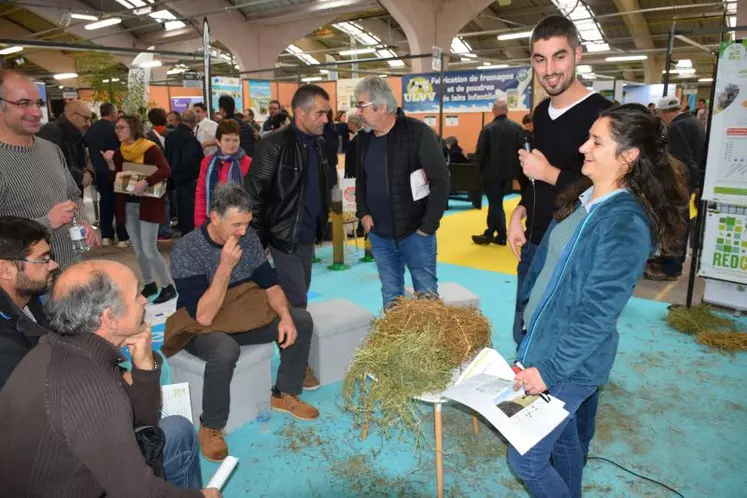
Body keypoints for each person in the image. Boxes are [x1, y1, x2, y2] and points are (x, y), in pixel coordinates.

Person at [508, 103, 689, 498]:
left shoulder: (625, 222)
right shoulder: (585, 195)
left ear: (628, 157)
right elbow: (548, 266)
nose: (582, 148)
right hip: (543, 344)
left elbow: (597, 315)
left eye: (596, 141)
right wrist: (526, 324)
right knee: (564, 438)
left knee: (525, 459)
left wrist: (548, 370)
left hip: (571, 363)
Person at [0, 259, 218, 497]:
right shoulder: (90, 386)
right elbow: (137, 493)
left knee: (177, 430)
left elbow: (142, 424)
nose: (145, 300)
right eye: (136, 295)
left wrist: (144, 367)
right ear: (109, 319)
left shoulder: (59, 346)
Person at [508, 16, 613, 467]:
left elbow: (614, 187)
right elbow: (536, 184)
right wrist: (520, 210)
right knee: (527, 340)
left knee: (572, 358)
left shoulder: (602, 115)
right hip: (534, 248)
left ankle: (575, 452)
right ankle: (539, 433)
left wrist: (548, 173)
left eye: (559, 57)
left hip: (574, 256)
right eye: (539, 59)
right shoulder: (541, 114)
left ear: (578, 55)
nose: (549, 69)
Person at [166, 184, 318, 461]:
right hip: (201, 324)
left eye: (247, 224)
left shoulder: (248, 240)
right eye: (236, 224)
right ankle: (211, 426)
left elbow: (271, 286)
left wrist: (284, 316)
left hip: (241, 314)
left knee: (300, 318)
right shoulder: (186, 250)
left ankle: (285, 392)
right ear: (214, 217)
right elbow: (204, 316)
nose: (243, 232)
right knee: (224, 349)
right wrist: (225, 266)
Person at [353, 76, 450, 308]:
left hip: (415, 233)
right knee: (391, 296)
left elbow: (441, 181)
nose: (357, 112)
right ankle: (395, 344)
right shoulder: (363, 140)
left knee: (426, 296)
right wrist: (363, 213)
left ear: (383, 107)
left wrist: (428, 227)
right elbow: (361, 181)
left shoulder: (418, 133)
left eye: (361, 106)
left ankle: (429, 344)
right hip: (379, 234)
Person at [246, 85, 336, 310]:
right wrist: (256, 243)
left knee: (298, 292)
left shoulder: (320, 144)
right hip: (283, 236)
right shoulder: (273, 144)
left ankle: (287, 333)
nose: (326, 119)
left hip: (308, 236)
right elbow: (253, 195)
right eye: (320, 113)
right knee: (297, 302)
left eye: (327, 113)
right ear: (300, 112)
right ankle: (292, 340)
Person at [0, 69, 99, 271]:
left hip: (70, 271)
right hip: (27, 289)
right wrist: (46, 222)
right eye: (23, 103)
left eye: (38, 103)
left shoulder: (50, 149)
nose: (36, 112)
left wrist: (82, 219)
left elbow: (72, 195)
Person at [104, 114, 176, 304]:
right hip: (128, 205)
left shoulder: (149, 148)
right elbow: (117, 179)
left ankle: (168, 286)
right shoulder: (120, 152)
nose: (117, 131)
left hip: (149, 204)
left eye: (121, 127)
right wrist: (111, 164)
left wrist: (146, 181)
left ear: (133, 128)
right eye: (116, 128)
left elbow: (165, 170)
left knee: (149, 247)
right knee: (138, 249)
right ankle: (149, 283)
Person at [644, 96, 706, 281]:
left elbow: (682, 160)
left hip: (681, 183)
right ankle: (668, 259)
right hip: (690, 181)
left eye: (662, 115)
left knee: (675, 221)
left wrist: (686, 183)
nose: (662, 119)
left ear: (666, 112)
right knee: (681, 221)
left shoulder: (678, 127)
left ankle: (670, 265)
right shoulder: (694, 122)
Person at [0, 217, 56, 390]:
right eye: (43, 259)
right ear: (5, 270)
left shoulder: (32, 297)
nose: (54, 265)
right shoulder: (5, 345)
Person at [472, 100, 524, 246]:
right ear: (507, 111)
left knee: (495, 203)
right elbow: (522, 150)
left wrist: (478, 171)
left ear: (494, 111)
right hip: (510, 174)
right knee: (497, 203)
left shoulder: (489, 129)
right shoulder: (517, 128)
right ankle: (498, 234)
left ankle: (494, 234)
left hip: (491, 173)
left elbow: (481, 153)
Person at [85, 102, 130, 247]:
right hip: (117, 171)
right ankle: (123, 237)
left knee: (105, 203)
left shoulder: (91, 129)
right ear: (113, 114)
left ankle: (106, 235)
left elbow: (85, 146)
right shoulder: (115, 130)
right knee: (120, 204)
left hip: (100, 172)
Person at [195, 119, 252, 228]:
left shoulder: (248, 162)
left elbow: (252, 195)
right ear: (218, 141)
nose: (232, 144)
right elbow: (201, 193)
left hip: (239, 222)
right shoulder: (207, 162)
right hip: (212, 220)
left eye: (235, 140)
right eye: (227, 140)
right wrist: (200, 223)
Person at [37, 99, 93, 190]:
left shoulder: (75, 133)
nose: (89, 124)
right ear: (74, 116)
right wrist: (80, 176)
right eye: (86, 119)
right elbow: (51, 165)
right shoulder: (52, 131)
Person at [165, 109, 204, 236]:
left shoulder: (170, 136)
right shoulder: (191, 139)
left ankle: (184, 234)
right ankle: (189, 236)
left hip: (173, 179)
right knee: (188, 211)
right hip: (188, 180)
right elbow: (194, 161)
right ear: (194, 122)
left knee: (179, 210)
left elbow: (167, 156)